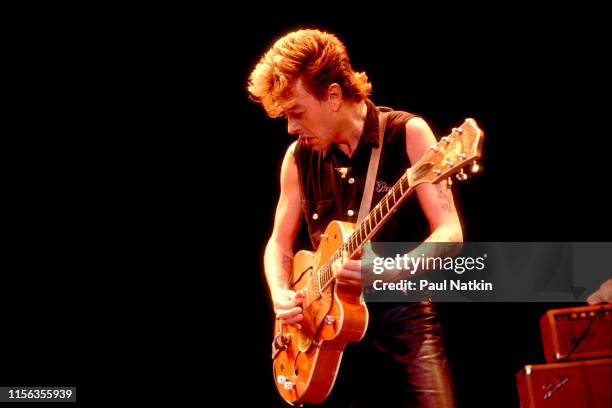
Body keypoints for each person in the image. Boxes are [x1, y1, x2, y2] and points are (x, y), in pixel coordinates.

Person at [248, 29, 463, 407]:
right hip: (327, 333)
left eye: (296, 113)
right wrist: (280, 292)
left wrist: (386, 272)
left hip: (404, 320)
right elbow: (278, 243)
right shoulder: (297, 159)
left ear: (332, 96)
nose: (291, 128)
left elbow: (450, 233)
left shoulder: (407, 133)